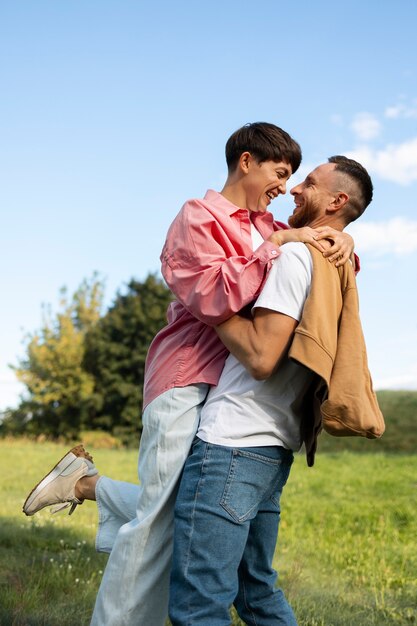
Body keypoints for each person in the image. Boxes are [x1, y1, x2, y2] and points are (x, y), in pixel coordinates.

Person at [22, 124, 354, 626]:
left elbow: (305, 270)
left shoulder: (265, 227)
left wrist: (342, 240)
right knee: (157, 521)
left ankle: (87, 485)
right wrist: (284, 241)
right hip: (184, 377)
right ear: (247, 161)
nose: (285, 187)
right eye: (280, 173)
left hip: (223, 386)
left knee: (187, 510)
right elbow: (214, 295)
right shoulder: (197, 217)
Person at [168, 156, 382, 625]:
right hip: (273, 448)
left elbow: (262, 358)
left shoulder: (295, 256)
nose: (294, 190)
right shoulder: (336, 263)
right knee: (256, 594)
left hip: (233, 442)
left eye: (308, 183)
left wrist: (207, 299)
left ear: (336, 201)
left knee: (197, 604)